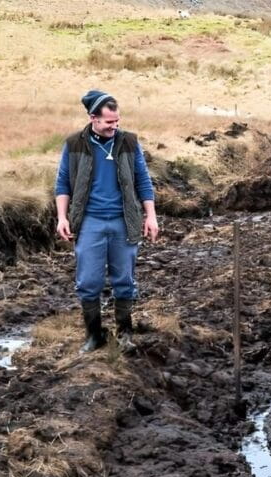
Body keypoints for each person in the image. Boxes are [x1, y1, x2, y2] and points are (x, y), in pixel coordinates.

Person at [55, 90, 159, 354]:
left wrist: (151, 215)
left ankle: (125, 334)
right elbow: (63, 184)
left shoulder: (129, 143)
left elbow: (143, 181)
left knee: (124, 278)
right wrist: (61, 217)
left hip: (125, 221)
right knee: (88, 281)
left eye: (117, 120)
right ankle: (94, 335)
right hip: (89, 221)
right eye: (109, 122)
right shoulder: (74, 144)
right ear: (93, 118)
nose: (115, 126)